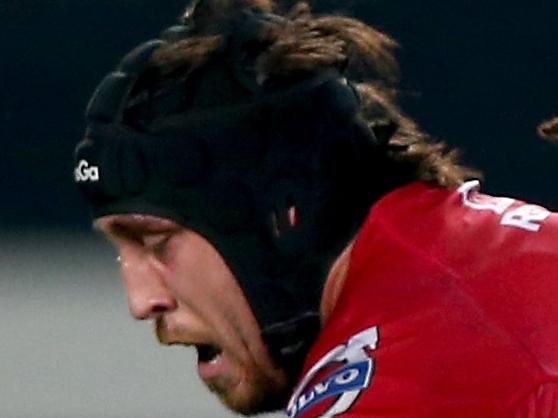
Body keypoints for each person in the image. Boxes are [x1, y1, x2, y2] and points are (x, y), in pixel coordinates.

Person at [74, 0, 558, 416]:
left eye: (158, 244)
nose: (141, 301)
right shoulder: (473, 253)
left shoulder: (405, 385)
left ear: (285, 215)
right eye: (123, 250)